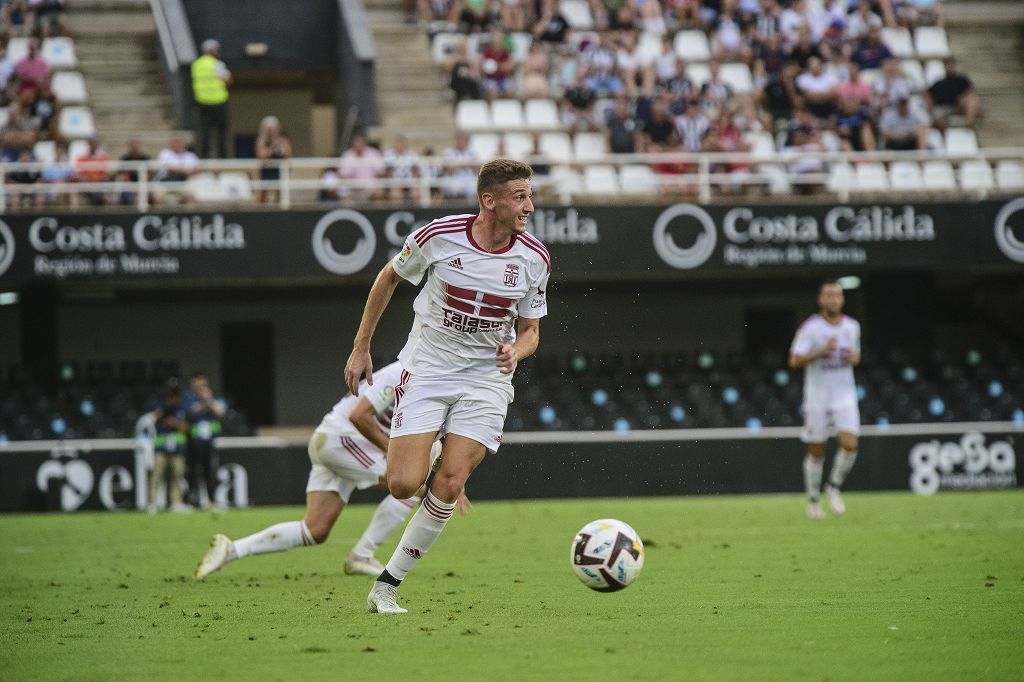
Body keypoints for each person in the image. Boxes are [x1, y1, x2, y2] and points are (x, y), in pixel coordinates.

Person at [344, 158, 550, 614]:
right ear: (489, 200)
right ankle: (433, 443)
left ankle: (386, 586)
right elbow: (389, 277)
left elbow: (532, 330)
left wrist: (518, 350)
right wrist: (362, 347)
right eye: (520, 197)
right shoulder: (438, 235)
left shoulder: (535, 258)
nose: (530, 206)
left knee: (450, 483)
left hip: (486, 380)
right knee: (401, 485)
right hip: (428, 369)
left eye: (530, 195)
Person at [194, 361, 470, 580]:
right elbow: (359, 416)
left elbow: (442, 441)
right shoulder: (401, 373)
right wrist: (393, 453)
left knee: (315, 530)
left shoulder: (437, 386)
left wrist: (454, 484)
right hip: (340, 439)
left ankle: (231, 550)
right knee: (413, 487)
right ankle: (362, 555)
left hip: (335, 443)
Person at [788, 280, 861, 519]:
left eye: (837, 295)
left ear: (842, 299)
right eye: (828, 295)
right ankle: (813, 501)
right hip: (817, 396)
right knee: (816, 451)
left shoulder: (852, 326)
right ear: (821, 300)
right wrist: (820, 352)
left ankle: (834, 486)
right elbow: (794, 361)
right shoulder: (810, 328)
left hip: (845, 394)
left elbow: (856, 355)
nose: (833, 299)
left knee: (850, 445)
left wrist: (853, 358)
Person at [182, 372, 226, 509]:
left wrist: (209, 400)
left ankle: (211, 501)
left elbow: (221, 413)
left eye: (203, 384)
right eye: (198, 383)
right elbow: (188, 413)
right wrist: (201, 403)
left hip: (209, 442)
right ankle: (192, 500)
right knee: (193, 471)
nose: (201, 386)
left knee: (210, 471)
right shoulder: (188, 397)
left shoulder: (213, 397)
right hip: (193, 442)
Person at [147, 384, 190, 513]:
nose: (174, 399)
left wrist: (175, 423)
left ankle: (176, 502)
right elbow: (153, 420)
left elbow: (186, 428)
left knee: (177, 475)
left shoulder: (182, 410)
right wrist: (162, 416)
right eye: (172, 396)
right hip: (161, 447)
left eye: (176, 396)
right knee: (156, 475)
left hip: (177, 448)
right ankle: (152, 503)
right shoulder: (161, 408)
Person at [191, 38, 231, 158]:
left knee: (205, 131)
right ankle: (223, 157)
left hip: (202, 101)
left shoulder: (196, 64)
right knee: (221, 132)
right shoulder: (217, 64)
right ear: (212, 50)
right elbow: (229, 80)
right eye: (217, 50)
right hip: (219, 101)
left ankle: (204, 156)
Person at [255, 115, 292, 205]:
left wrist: (278, 145)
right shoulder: (261, 141)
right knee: (263, 193)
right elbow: (261, 156)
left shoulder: (283, 141)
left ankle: (279, 210)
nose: (272, 132)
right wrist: (272, 147)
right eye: (269, 130)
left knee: (279, 192)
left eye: (273, 129)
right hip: (266, 170)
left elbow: (288, 155)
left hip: (279, 170)